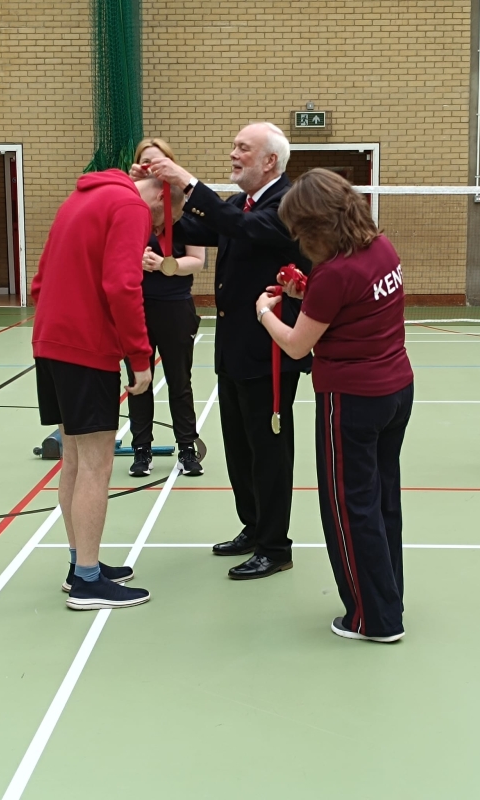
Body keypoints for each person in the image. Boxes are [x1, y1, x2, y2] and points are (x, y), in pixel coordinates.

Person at [256, 168, 413, 642]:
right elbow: (351, 302)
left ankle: (370, 618)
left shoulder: (335, 272)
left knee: (349, 508)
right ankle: (388, 599)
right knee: (383, 500)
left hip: (351, 398)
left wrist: (265, 314)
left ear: (318, 225)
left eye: (302, 230)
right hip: (395, 390)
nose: (299, 239)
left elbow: (298, 345)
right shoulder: (379, 249)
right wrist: (308, 292)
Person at [150, 122, 312, 580]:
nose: (233, 153)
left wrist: (186, 180)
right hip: (236, 347)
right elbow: (213, 226)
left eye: (243, 148)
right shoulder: (245, 203)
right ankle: (254, 526)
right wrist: (162, 196)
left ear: (270, 162)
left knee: (269, 452)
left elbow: (237, 226)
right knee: (240, 448)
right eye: (233, 145)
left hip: (271, 351)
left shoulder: (286, 204)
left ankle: (276, 546)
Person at [31, 169, 165, 610]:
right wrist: (139, 357)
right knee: (96, 464)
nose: (158, 231)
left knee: (73, 457)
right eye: (163, 223)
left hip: (52, 340)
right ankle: (88, 582)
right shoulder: (128, 207)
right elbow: (122, 285)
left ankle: (79, 566)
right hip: (85, 349)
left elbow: (41, 276)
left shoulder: (80, 198)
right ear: (164, 199)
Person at [126, 138, 205, 478]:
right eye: (145, 163)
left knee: (179, 380)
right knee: (137, 379)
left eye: (157, 162)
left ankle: (187, 448)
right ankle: (141, 449)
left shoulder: (185, 208)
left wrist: (163, 264)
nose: (152, 169)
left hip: (174, 305)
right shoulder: (129, 208)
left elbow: (197, 261)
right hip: (136, 305)